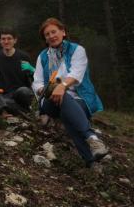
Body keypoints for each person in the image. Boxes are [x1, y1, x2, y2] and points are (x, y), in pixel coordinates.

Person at [33, 18, 108, 166]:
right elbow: (37, 81)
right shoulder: (42, 56)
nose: (51, 36)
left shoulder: (77, 50)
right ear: (45, 38)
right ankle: (92, 138)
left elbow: (76, 73)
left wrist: (62, 86)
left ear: (63, 32)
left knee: (67, 112)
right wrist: (48, 89)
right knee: (64, 100)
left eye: (54, 31)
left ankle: (90, 161)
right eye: (47, 34)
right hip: (49, 101)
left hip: (81, 98)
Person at [0, 29, 35, 115]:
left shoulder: (24, 56)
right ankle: (23, 111)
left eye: (9, 38)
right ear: (0, 41)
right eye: (3, 39)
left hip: (20, 94)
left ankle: (12, 109)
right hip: (3, 95)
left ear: (15, 40)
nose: (6, 41)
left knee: (25, 92)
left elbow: (33, 79)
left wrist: (32, 70)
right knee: (2, 101)